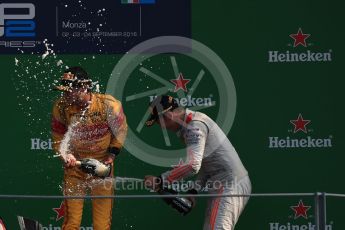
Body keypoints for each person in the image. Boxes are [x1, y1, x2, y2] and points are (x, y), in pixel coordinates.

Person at [144, 95, 251, 230]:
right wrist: (194, 190)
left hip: (230, 184)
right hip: (224, 183)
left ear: (169, 115)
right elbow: (208, 165)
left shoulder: (195, 126)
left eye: (159, 122)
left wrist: (161, 180)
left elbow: (193, 166)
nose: (162, 128)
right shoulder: (190, 125)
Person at [51, 66, 127, 230]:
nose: (65, 94)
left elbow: (121, 131)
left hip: (101, 168)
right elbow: (58, 137)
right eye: (63, 90)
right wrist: (66, 155)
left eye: (69, 90)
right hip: (74, 169)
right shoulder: (61, 107)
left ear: (83, 87)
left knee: (101, 226)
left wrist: (111, 157)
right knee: (71, 224)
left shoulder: (109, 105)